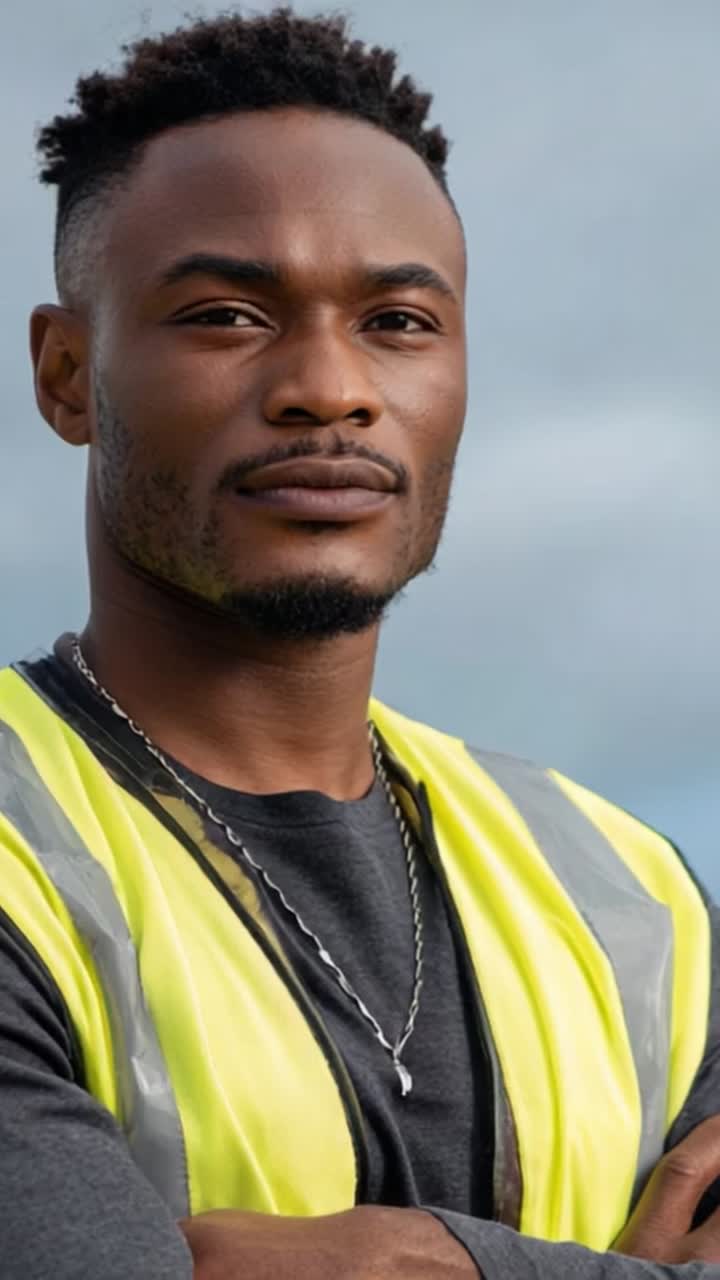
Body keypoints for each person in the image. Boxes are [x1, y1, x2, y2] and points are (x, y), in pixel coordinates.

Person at [1, 7, 719, 1278]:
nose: (329, 385)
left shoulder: (628, 891)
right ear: (67, 374)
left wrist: (436, 1261)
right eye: (227, 313)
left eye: (397, 322)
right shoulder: (25, 843)